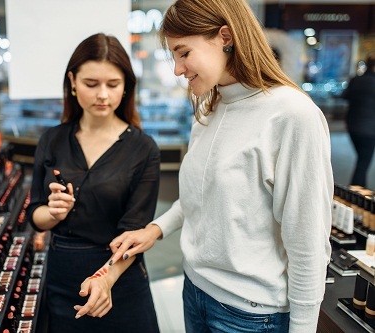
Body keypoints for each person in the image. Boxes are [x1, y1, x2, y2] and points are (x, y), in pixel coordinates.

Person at [108, 1, 334, 332]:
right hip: (196, 291)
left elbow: (308, 241)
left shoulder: (292, 115)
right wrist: (154, 230)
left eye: (184, 53)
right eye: (173, 56)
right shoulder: (209, 107)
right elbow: (200, 197)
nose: (177, 69)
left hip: (252, 315)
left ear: (225, 37)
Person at [27, 33, 161, 333]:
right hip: (63, 278)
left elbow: (134, 231)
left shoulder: (143, 149)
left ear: (126, 86)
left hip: (120, 275)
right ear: (72, 81)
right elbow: (35, 216)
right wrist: (54, 213)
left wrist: (105, 278)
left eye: (113, 85)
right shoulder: (52, 140)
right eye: (91, 84)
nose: (103, 95)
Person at [341, 53, 375, 187]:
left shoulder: (356, 80)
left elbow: (344, 96)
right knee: (363, 162)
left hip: (353, 126)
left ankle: (360, 192)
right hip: (370, 130)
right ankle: (355, 193)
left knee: (362, 160)